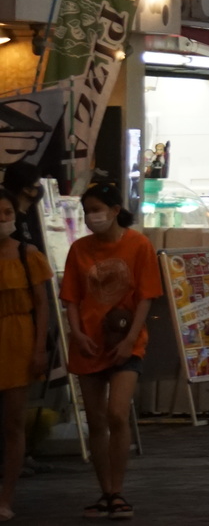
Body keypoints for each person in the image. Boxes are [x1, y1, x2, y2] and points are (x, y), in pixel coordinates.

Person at [59, 185, 162, 521]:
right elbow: (71, 298)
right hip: (88, 343)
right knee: (96, 421)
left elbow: (146, 296)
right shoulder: (78, 250)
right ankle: (105, 492)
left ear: (116, 209)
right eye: (87, 210)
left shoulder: (139, 245)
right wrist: (77, 333)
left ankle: (117, 490)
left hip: (126, 343)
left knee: (117, 413)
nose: (92, 216)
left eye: (97, 209)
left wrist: (131, 339)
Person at [0, 191, 50, 521]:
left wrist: (39, 348)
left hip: (18, 341)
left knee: (14, 423)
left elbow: (43, 305)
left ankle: (6, 497)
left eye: (6, 212)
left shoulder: (28, 255)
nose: (2, 218)